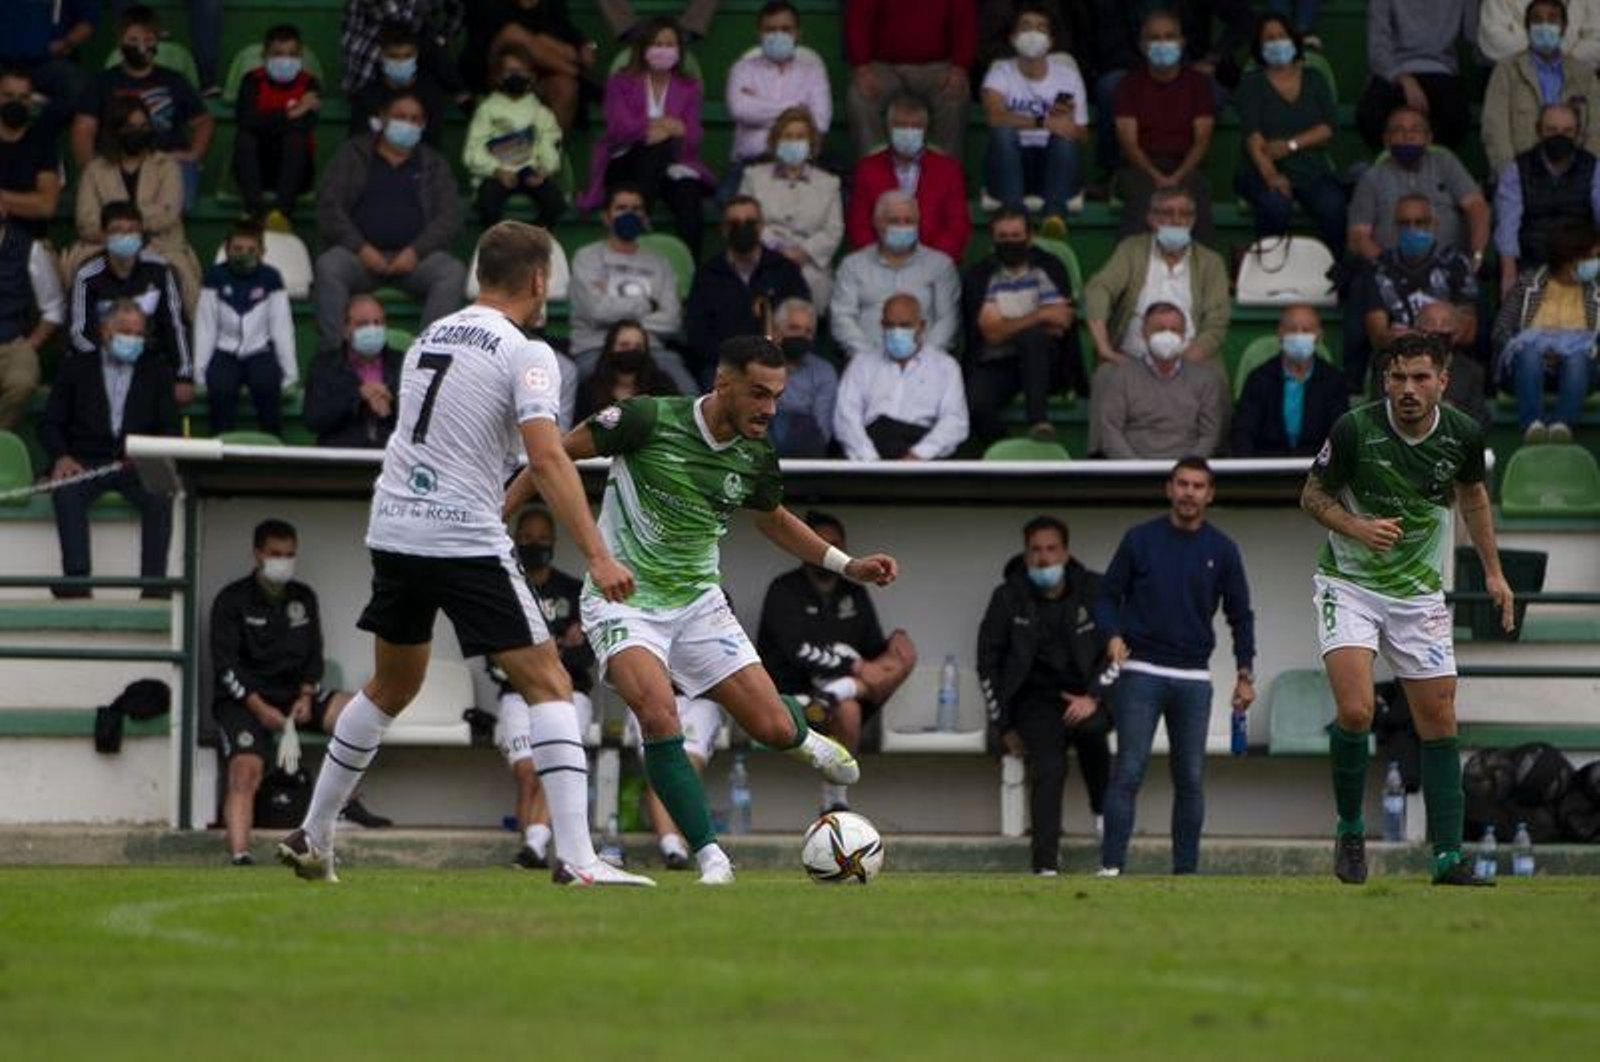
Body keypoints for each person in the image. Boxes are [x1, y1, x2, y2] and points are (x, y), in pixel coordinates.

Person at [278, 221, 654, 888]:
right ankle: (578, 860)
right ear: (538, 282)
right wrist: (596, 553)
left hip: (395, 526)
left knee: (391, 685)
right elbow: (546, 454)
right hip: (460, 537)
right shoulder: (526, 350)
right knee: (552, 685)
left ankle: (313, 832)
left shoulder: (431, 333)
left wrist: (500, 503)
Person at [512, 334, 897, 886]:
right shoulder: (645, 419)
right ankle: (711, 858)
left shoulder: (756, 452)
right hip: (626, 601)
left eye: (777, 396)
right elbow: (548, 457)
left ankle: (803, 737)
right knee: (659, 713)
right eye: (759, 395)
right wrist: (493, 519)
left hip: (697, 604)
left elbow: (773, 518)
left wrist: (846, 564)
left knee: (769, 725)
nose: (770, 409)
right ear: (724, 384)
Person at [1301, 331, 1514, 887]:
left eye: (1421, 377)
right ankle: (1350, 830)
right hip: (1348, 583)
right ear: (1385, 381)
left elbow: (1473, 497)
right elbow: (1312, 495)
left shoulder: (1463, 434)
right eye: (1398, 378)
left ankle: (1447, 857)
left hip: (1418, 594)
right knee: (1355, 711)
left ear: (1442, 381)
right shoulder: (1355, 429)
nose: (1408, 389)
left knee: (1439, 720)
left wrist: (1493, 571)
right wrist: (1357, 527)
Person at [1095, 457, 1255, 876]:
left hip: (1193, 677)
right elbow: (1106, 596)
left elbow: (1241, 615)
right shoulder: (1140, 539)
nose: (1189, 492)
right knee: (1128, 773)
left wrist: (1245, 674)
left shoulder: (1222, 549)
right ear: (1169, 488)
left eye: (1198, 486)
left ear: (1210, 494)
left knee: (1190, 779)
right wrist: (1112, 635)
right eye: (1182, 484)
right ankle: (1111, 868)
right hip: (1139, 671)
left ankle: (1186, 873)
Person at [211, 519, 384, 865]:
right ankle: (241, 856)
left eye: (290, 555)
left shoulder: (303, 597)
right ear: (258, 553)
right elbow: (225, 668)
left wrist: (306, 697)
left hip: (294, 699)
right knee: (245, 771)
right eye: (276, 554)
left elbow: (313, 660)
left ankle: (343, 805)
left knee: (360, 714)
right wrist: (261, 710)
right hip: (245, 702)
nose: (283, 561)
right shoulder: (232, 601)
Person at [979, 514, 1111, 875]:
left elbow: (1119, 651)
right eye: (1035, 550)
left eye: (1051, 549)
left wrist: (1095, 695)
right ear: (1025, 555)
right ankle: (1046, 863)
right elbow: (988, 664)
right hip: (1034, 702)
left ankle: (1106, 826)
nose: (1043, 558)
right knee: (1049, 765)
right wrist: (1003, 724)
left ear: (1066, 553)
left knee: (1093, 732)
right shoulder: (1008, 597)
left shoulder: (1095, 590)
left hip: (1088, 696)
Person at [758, 510, 916, 812]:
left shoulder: (854, 593)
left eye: (836, 544)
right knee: (850, 711)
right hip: (792, 697)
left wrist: (896, 647)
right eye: (822, 543)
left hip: (839, 694)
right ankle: (835, 801)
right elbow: (798, 651)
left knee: (903, 654)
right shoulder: (784, 590)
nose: (830, 549)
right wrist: (855, 669)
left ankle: (842, 690)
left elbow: (873, 652)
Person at [40, 300, 178, 600]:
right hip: (85, 461)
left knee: (159, 497)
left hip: (137, 464)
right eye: (126, 331)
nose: (133, 339)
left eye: (139, 334)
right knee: (66, 491)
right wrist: (62, 457)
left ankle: (154, 586)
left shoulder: (157, 371)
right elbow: (51, 422)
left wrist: (149, 456)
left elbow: (171, 427)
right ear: (105, 331)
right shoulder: (75, 367)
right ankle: (76, 581)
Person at [487, 505, 598, 870]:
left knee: (554, 764)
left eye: (542, 539)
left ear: (554, 542)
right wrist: (559, 645)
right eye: (527, 539)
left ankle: (533, 848)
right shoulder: (506, 591)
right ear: (515, 541)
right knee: (528, 772)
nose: (534, 545)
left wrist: (539, 651)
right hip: (516, 695)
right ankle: (534, 847)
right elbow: (497, 661)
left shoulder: (574, 590)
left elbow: (585, 657)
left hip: (570, 694)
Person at [313, 93, 466, 351]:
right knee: (329, 266)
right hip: (359, 258)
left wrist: (416, 251)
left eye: (415, 119)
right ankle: (334, 354)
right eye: (400, 117)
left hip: (414, 260)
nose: (408, 124)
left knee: (451, 272)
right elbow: (329, 206)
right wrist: (361, 248)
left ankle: (428, 357)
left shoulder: (433, 163)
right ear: (383, 119)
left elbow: (450, 217)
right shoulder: (354, 154)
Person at [577, 17, 714, 259]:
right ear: (644, 48)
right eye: (657, 43)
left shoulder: (689, 87)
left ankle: (690, 269)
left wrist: (675, 131)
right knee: (655, 147)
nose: (663, 50)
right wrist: (664, 126)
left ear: (679, 51)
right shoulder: (620, 82)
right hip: (624, 162)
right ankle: (640, 220)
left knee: (689, 197)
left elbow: (692, 137)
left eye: (669, 44)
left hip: (671, 164)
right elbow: (619, 127)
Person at [67, 96, 201, 311]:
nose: (138, 132)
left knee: (183, 278)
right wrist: (118, 235)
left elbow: (168, 214)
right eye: (130, 127)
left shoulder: (166, 166)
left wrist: (119, 224)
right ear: (115, 130)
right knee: (79, 267)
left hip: (160, 244)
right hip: (102, 243)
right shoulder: (95, 169)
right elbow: (87, 221)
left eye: (143, 126)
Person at [71, 5, 213, 205]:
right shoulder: (101, 83)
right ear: (120, 41)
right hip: (115, 161)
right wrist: (90, 169)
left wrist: (194, 154)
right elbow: (83, 128)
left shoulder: (175, 80)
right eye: (133, 40)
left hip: (166, 162)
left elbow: (203, 122)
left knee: (179, 203)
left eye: (148, 40)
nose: (141, 47)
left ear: (157, 41)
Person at [960, 208, 1077, 444]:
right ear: (993, 239)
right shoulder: (980, 275)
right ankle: (1007, 455)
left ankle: (1038, 421)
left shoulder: (1048, 267)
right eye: (1003, 237)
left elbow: (1061, 322)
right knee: (974, 405)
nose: (1010, 243)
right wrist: (1039, 315)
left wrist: (1008, 325)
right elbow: (991, 335)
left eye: (1016, 236)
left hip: (1046, 362)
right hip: (998, 362)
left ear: (1030, 237)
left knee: (1032, 339)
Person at [1233, 15, 1345, 253]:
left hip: (1310, 168)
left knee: (1333, 204)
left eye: (1281, 36)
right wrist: (1272, 176)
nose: (1276, 42)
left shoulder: (1315, 78)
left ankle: (1335, 274)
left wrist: (1290, 145)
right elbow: (1253, 137)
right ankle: (1268, 275)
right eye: (1269, 38)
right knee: (1276, 204)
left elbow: (1328, 128)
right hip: (1258, 170)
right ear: (1260, 47)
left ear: (1294, 40)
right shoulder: (1251, 83)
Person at [1085, 188, 1229, 368]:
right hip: (1131, 361)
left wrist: (1180, 365)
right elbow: (1099, 288)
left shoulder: (1211, 262)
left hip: (1190, 364)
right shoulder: (1131, 249)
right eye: (1168, 213)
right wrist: (1104, 347)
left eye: (1185, 214)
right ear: (1151, 219)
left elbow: (1216, 322)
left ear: (1193, 221)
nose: (1177, 221)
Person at [568, 184, 692, 394]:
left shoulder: (659, 263)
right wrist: (648, 303)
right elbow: (596, 312)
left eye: (636, 209)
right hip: (595, 349)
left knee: (689, 393)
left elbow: (671, 320)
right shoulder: (587, 258)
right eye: (621, 208)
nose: (630, 214)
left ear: (644, 217)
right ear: (606, 217)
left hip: (650, 350)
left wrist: (612, 304)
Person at [67, 202, 192, 403]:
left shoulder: (160, 271)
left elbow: (176, 326)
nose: (126, 236)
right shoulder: (87, 274)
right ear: (103, 235)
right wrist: (104, 363)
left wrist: (184, 375)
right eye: (117, 230)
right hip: (100, 365)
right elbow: (78, 332)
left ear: (141, 233)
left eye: (132, 230)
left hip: (149, 362)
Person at [981, 3, 1089, 235]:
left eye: (1041, 28)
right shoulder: (1001, 70)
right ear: (1012, 37)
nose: (1033, 34)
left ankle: (1054, 218)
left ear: (1050, 40)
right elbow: (994, 118)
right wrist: (1045, 122)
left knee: (1064, 141)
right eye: (1026, 27)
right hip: (1009, 164)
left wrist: (1068, 127)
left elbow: (1082, 134)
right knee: (1003, 134)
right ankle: (1015, 216)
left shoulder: (1067, 76)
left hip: (1052, 166)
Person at [1112, 10, 1216, 242]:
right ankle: (1130, 272)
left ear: (1181, 42)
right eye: (1154, 38)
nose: (1163, 43)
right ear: (1142, 45)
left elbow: (1202, 139)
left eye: (1169, 37)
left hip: (1186, 165)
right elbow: (1128, 141)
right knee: (1143, 195)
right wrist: (1156, 177)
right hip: (1140, 167)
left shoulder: (1198, 84)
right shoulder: (1128, 85)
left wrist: (1178, 176)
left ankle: (1204, 271)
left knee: (1196, 192)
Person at [683, 195, 809, 387]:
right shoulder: (707, 275)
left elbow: (801, 320)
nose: (743, 228)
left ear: (761, 226)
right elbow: (697, 335)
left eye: (750, 222)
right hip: (725, 371)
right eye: (734, 223)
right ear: (724, 229)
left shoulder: (784, 270)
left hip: (779, 366)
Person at [1492, 221, 1600, 443]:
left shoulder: (1596, 293)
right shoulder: (1528, 284)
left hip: (1579, 373)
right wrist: (1528, 347)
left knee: (1577, 359)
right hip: (1527, 370)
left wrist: (1567, 352)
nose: (1595, 263)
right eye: (1591, 257)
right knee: (1530, 353)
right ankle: (1533, 425)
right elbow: (1501, 330)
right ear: (1571, 259)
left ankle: (1563, 425)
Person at [834, 292, 970, 461]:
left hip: (923, 448)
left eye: (905, 325)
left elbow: (955, 420)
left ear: (921, 326)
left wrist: (918, 455)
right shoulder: (861, 364)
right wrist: (870, 459)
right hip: (871, 446)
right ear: (882, 325)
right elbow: (846, 417)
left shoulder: (945, 367)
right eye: (890, 325)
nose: (897, 332)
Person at [193, 220, 297, 437]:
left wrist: (290, 374)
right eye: (237, 249)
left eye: (251, 250)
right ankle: (219, 452)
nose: (244, 254)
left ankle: (273, 450)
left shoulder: (271, 278)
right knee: (220, 390)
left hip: (259, 351)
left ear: (262, 252)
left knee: (268, 387)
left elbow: (281, 326)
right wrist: (199, 374)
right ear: (226, 249)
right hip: (225, 352)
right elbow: (205, 327)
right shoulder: (214, 277)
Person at [1348, 109, 1490, 266]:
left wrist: (1476, 255)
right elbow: (1358, 236)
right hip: (1391, 272)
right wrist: (1388, 270)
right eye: (1398, 130)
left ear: (1428, 139)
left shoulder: (1444, 162)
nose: (1407, 136)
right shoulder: (1371, 178)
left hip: (1448, 271)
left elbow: (1476, 206)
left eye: (1415, 130)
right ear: (1386, 140)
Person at [831, 190, 961, 360]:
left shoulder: (940, 265)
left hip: (927, 365)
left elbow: (948, 320)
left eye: (909, 221)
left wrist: (922, 359)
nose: (902, 226)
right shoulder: (853, 265)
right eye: (894, 221)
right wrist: (868, 358)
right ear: (877, 223)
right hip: (865, 362)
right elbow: (842, 317)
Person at [737, 106, 843, 308]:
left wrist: (802, 252)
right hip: (762, 259)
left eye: (800, 137)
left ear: (811, 143)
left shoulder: (829, 183)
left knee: (813, 285)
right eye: (788, 136)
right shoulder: (753, 177)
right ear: (776, 141)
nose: (794, 142)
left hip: (810, 263)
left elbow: (833, 231)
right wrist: (777, 250)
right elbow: (745, 218)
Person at [846, 95, 971, 262]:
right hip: (878, 264)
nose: (908, 132)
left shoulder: (948, 170)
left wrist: (930, 262)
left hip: (934, 265)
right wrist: (880, 261)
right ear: (889, 129)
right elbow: (859, 225)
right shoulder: (867, 169)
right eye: (901, 126)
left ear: (925, 130)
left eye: (916, 126)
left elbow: (957, 226)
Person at [1096, 303, 1229, 459]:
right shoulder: (1121, 376)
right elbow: (1111, 431)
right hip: (1136, 472)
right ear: (1144, 333)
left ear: (1184, 335)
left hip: (1187, 474)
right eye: (1159, 329)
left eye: (1174, 330)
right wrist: (1135, 467)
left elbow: (1210, 435)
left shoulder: (1206, 379)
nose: (1167, 336)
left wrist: (1187, 469)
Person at [1482, 0, 1600, 177]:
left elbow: (1596, 133)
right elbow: (1495, 132)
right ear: (1527, 27)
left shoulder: (1584, 75)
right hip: (1521, 177)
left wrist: (1585, 176)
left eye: (1552, 20)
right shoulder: (1507, 72)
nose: (1545, 26)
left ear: (1564, 27)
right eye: (1537, 21)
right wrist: (1512, 177)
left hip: (1577, 180)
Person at [845, 0, 975, 158]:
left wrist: (959, 67)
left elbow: (964, 21)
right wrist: (862, 67)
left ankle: (945, 175)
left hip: (935, 66)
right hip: (883, 66)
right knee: (859, 98)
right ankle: (872, 174)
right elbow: (859, 19)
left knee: (956, 98)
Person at [725, 2, 832, 189]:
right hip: (751, 162)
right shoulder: (742, 69)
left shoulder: (812, 72)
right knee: (727, 202)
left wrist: (761, 110)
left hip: (803, 164)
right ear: (759, 33)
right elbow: (740, 109)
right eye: (770, 29)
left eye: (786, 29)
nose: (778, 35)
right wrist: (796, 110)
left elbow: (820, 121)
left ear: (798, 33)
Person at [1494, 103, 1600, 289]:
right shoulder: (1516, 169)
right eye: (1552, 130)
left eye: (1567, 131)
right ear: (1538, 130)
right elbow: (1507, 227)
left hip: (1580, 261)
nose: (1560, 136)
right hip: (1531, 261)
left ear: (1577, 133)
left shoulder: (1593, 167)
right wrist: (1509, 275)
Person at [462, 44, 566, 228]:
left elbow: (551, 144)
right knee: (487, 205)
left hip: (530, 172)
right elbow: (473, 151)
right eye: (510, 71)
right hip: (497, 172)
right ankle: (500, 245)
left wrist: (544, 170)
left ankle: (533, 241)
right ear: (499, 76)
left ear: (532, 76)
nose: (516, 76)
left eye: (521, 71)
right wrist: (496, 170)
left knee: (555, 204)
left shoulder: (542, 112)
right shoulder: (487, 110)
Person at [1363, 195, 1479, 358]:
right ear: (1395, 228)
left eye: (1420, 222)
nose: (1412, 229)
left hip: (1448, 355)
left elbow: (1468, 330)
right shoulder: (1379, 268)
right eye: (1404, 223)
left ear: (1434, 225)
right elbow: (1378, 335)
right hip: (1399, 357)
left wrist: (1430, 335)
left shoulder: (1456, 264)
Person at [233, 24, 322, 232]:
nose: (286, 60)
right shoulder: (252, 80)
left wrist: (265, 121)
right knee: (245, 138)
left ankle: (282, 214)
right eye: (278, 54)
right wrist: (291, 112)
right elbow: (245, 120)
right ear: (265, 55)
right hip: (257, 166)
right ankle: (254, 211)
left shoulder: (310, 83)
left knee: (295, 138)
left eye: (292, 54)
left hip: (296, 170)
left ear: (300, 55)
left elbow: (306, 124)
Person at [1356, 0, 1476, 152]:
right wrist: (1403, 78)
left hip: (1441, 69)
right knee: (1370, 114)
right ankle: (1392, 167)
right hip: (1394, 68)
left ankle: (1427, 168)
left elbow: (1476, 36)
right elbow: (1377, 48)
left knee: (1456, 117)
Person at [622, 692, 725, 869]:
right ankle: (672, 847)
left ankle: (698, 847)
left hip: (699, 698)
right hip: (648, 695)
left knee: (686, 766)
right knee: (662, 766)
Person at [1229, 304, 1347, 457]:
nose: (1299, 335)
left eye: (1306, 330)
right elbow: (1243, 432)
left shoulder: (1333, 381)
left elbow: (1341, 435)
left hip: (1319, 471)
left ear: (1319, 336)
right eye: (1292, 329)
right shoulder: (1259, 378)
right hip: (1266, 468)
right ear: (1280, 333)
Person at [459, 0, 595, 130]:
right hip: (492, 64)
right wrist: (541, 39)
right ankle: (579, 77)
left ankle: (549, 150)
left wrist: (581, 43)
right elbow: (491, 28)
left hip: (538, 66)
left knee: (565, 87)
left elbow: (562, 25)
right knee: (514, 34)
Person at [303, 295, 405, 449]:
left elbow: (423, 421)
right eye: (363, 324)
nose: (372, 329)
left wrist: (391, 400)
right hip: (341, 456)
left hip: (391, 456)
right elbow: (314, 419)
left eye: (378, 323)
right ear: (345, 330)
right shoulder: (325, 366)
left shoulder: (403, 364)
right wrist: (358, 396)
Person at [0, 217, 64, 430]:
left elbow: (54, 307)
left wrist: (31, 344)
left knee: (22, 383)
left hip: (13, 342)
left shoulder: (29, 249)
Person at [347, 22, 454, 149]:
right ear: (382, 55)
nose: (400, 62)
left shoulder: (431, 95)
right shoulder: (366, 96)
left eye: (407, 56)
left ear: (416, 55)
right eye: (393, 56)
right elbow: (357, 145)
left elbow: (431, 145)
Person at [0, 1, 95, 135]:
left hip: (48, 62)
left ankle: (41, 136)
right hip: (3, 60)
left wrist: (66, 42)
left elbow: (87, 22)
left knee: (77, 88)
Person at [768, 297, 838, 458]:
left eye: (808, 331)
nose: (801, 336)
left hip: (804, 450)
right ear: (776, 331)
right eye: (794, 328)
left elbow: (823, 432)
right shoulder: (756, 366)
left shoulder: (824, 371)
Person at [0, 67, 64, 239]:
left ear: (31, 101)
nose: (16, 102)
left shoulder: (44, 143)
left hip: (30, 245)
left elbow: (46, 206)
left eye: (23, 97)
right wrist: (23, 203)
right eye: (8, 96)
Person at [1409, 301, 1493, 431]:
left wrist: (1454, 414)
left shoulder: (1472, 372)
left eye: (1442, 335)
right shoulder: (1396, 367)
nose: (1435, 340)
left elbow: (1480, 420)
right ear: (1416, 332)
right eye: (1430, 333)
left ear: (1455, 335)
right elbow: (1381, 414)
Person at [576, 319, 680, 422]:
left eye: (638, 347)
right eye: (624, 345)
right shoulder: (589, 390)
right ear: (610, 348)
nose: (631, 351)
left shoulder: (663, 386)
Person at [1481, 0, 1600, 66]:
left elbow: (1596, 41)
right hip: (1515, 81)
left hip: (1575, 81)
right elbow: (1494, 40)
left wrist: (1563, 63)